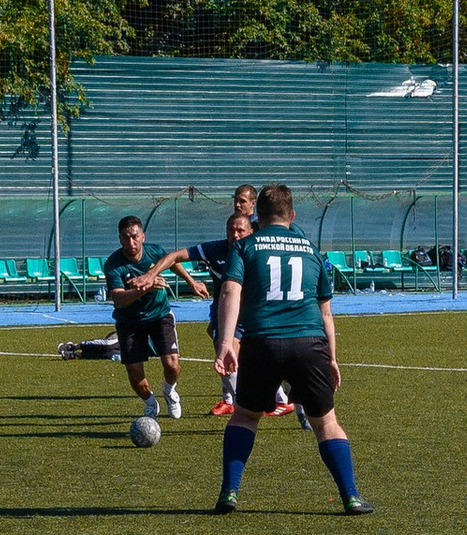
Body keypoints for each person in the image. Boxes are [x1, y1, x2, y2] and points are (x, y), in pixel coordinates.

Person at [211, 181, 370, 515]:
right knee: (326, 423)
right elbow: (326, 311)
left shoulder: (246, 246)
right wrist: (333, 358)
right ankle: (351, 497)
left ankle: (229, 493)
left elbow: (229, 292)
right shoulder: (311, 249)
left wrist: (226, 343)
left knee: (245, 416)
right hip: (309, 344)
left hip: (262, 342)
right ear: (292, 214)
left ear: (259, 215)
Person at [102, 215, 200, 421]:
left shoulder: (155, 251)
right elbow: (119, 299)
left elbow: (172, 262)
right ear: (119, 238)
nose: (131, 243)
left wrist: (191, 282)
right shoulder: (113, 264)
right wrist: (146, 288)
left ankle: (169, 391)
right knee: (135, 374)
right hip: (129, 321)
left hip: (159, 314)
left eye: (135, 237)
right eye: (126, 238)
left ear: (143, 236)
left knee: (172, 365)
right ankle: (149, 402)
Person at [194, 208, 257, 414]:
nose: (235, 234)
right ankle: (232, 400)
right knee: (227, 353)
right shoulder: (218, 250)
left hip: (253, 313)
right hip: (226, 314)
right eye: (231, 230)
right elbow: (177, 256)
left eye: (243, 201)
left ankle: (285, 400)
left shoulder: (258, 249)